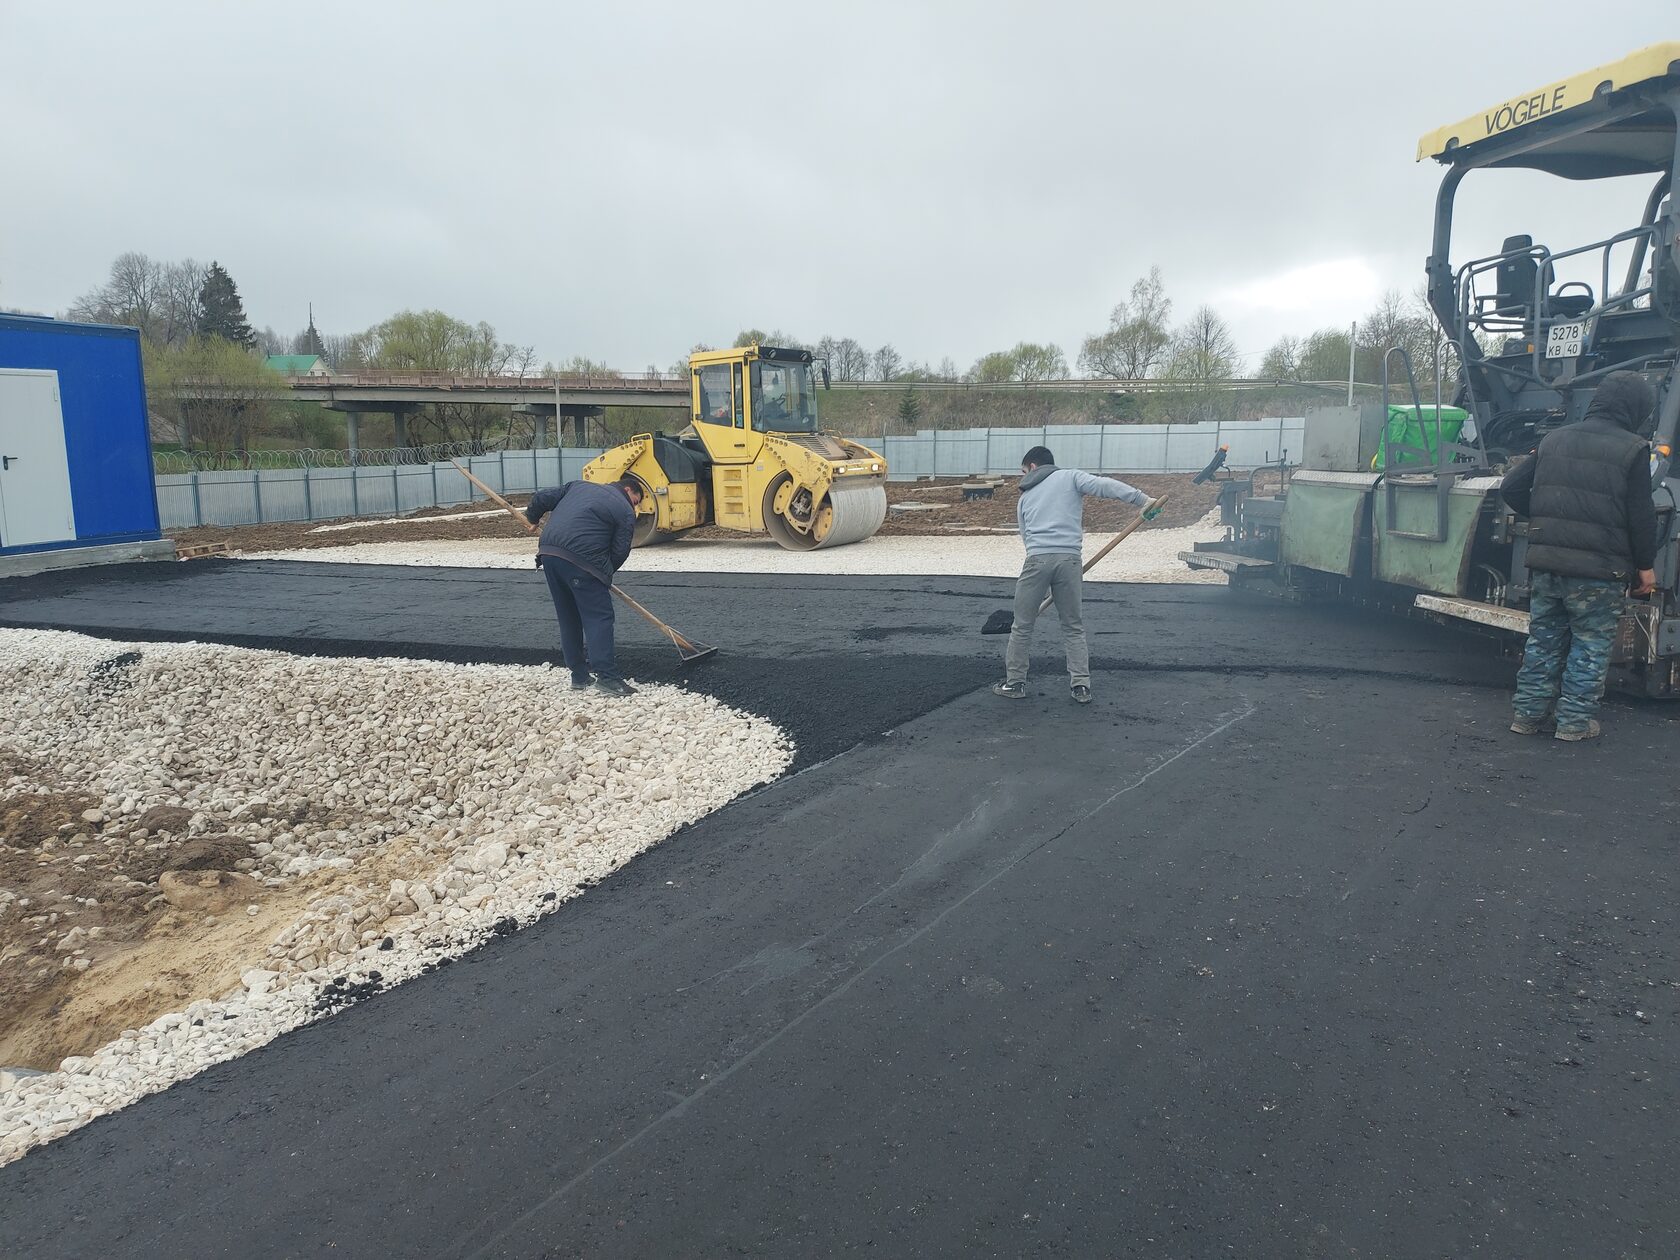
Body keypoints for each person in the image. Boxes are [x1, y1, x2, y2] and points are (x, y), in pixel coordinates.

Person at [1500, 371, 1659, 741]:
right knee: (1590, 643)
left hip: (1547, 564)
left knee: (1543, 639)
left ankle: (1526, 715)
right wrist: (1645, 566)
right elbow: (1640, 514)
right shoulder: (1633, 448)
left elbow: (1511, 486)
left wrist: (1546, 519)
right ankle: (1573, 722)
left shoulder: (1555, 439)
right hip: (1599, 571)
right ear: (1636, 409)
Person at [992, 445, 1164, 705]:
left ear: (1033, 467)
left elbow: (1026, 536)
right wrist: (1142, 499)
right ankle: (1081, 687)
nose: (1022, 477)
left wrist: (1043, 568)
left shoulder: (1025, 497)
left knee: (1022, 625)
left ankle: (1015, 683)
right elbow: (1105, 486)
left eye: (1023, 471)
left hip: (1037, 560)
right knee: (1073, 627)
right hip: (1070, 561)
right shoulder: (1071, 477)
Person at [525, 477, 643, 697]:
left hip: (549, 554)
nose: (634, 506)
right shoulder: (625, 510)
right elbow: (620, 551)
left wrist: (532, 518)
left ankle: (579, 676)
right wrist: (602, 574)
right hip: (582, 561)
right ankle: (607, 678)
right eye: (636, 501)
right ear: (628, 490)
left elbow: (541, 498)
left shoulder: (577, 486)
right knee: (599, 618)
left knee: (569, 616)